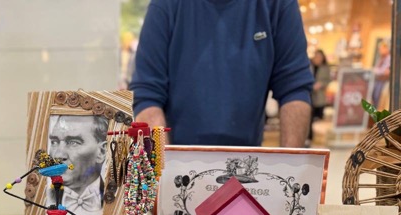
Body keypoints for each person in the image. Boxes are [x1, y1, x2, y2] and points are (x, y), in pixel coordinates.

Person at [130, 0, 314, 148]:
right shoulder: (165, 5)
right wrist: (164, 173)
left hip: (248, 161)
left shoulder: (278, 5)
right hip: (178, 157)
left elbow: (294, 89)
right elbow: (147, 96)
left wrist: (290, 174)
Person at [47, 115, 108, 215]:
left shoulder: (117, 199)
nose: (58, 155)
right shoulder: (43, 199)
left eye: (73, 142)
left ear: (102, 152)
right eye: (54, 142)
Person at [309, 49, 331, 144]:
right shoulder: (309, 66)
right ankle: (309, 136)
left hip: (319, 96)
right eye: (316, 56)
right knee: (309, 117)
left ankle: (315, 138)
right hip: (309, 94)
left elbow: (328, 80)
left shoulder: (325, 68)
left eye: (319, 57)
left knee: (317, 117)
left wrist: (320, 84)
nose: (317, 59)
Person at [372, 41, 391, 110]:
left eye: (381, 49)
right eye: (379, 49)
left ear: (386, 48)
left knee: (378, 99)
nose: (380, 51)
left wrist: (375, 71)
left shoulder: (389, 58)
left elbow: (386, 72)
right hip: (378, 81)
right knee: (374, 98)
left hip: (384, 82)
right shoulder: (381, 58)